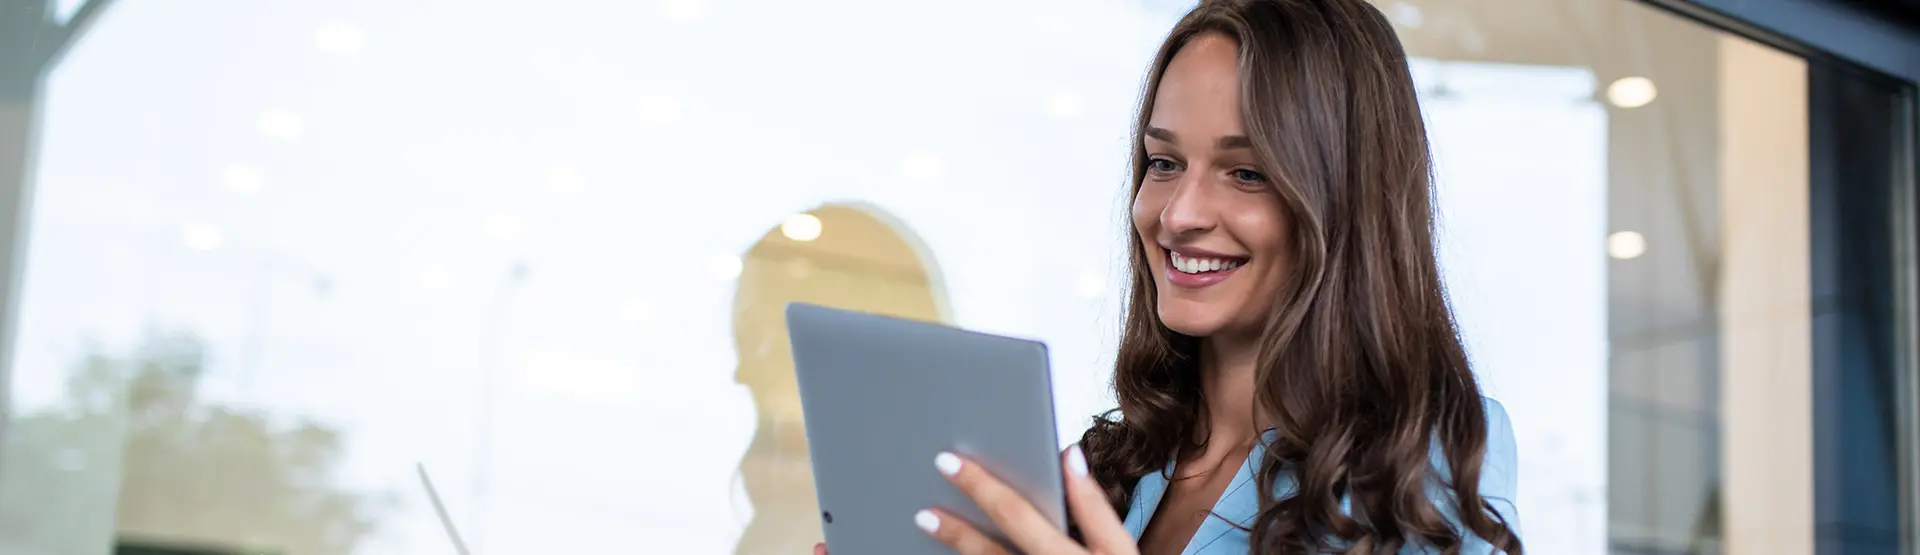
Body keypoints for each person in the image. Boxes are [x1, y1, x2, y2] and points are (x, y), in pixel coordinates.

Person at [819, 0, 1523, 552]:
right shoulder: (1109, 465)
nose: (1178, 214)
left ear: (1348, 199)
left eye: (1247, 172)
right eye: (1164, 163)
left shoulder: (1425, 454)